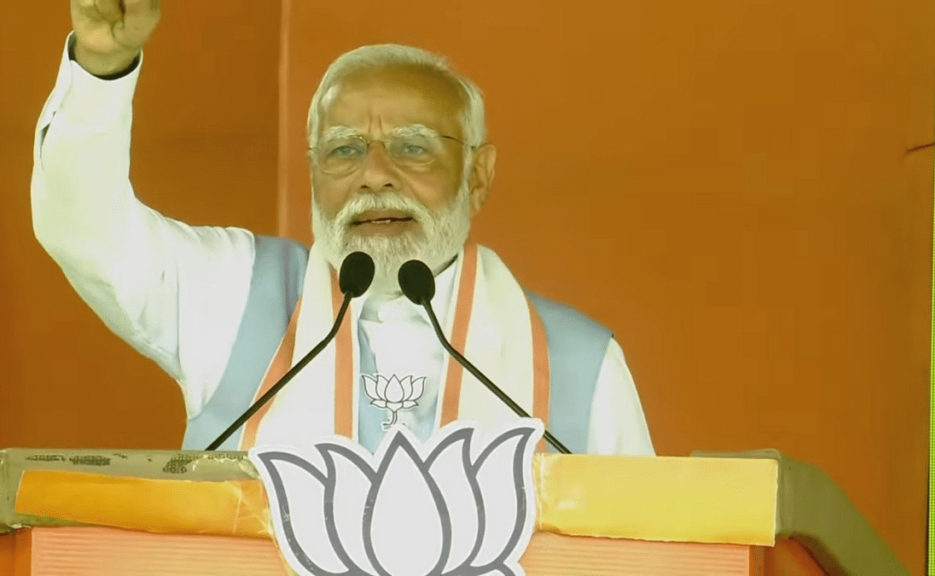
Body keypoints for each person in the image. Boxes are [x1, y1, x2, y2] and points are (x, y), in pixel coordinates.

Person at [32, 0, 655, 455]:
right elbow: (85, 229)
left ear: (478, 174)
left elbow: (649, 546)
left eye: (412, 148)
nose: (374, 176)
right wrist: (100, 67)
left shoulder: (581, 364)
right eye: (343, 149)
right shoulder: (233, 295)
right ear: (312, 173)